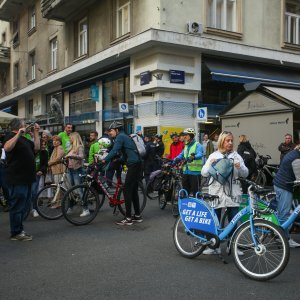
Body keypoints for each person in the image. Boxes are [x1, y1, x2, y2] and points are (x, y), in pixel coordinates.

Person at [201, 131, 248, 254]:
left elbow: (246, 173)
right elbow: (204, 173)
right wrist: (210, 165)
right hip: (216, 192)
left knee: (233, 220)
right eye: (228, 140)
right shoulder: (214, 155)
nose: (230, 143)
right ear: (222, 141)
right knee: (215, 219)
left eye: (232, 140)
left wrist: (240, 167)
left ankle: (232, 246)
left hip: (233, 192)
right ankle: (214, 246)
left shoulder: (237, 156)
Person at [4, 118, 40, 241]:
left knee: (24, 206)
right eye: (24, 125)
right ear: (18, 127)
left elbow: (36, 148)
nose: (26, 127)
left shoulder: (25, 139)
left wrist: (36, 132)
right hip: (17, 178)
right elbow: (7, 148)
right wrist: (19, 133)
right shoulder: (10, 136)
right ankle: (16, 232)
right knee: (17, 206)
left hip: (27, 178)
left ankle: (19, 229)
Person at [102, 121, 142, 225]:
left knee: (127, 190)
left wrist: (104, 160)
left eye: (111, 130)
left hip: (134, 165)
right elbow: (127, 153)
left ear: (117, 130)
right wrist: (119, 160)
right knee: (133, 191)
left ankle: (128, 218)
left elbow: (114, 150)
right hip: (137, 164)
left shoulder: (120, 137)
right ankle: (137, 216)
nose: (110, 133)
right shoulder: (125, 137)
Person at [273, 146, 300, 248]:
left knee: (281, 212)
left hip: (280, 183)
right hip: (284, 186)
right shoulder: (296, 159)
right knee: (284, 213)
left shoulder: (295, 152)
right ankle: (285, 238)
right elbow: (299, 179)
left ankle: (278, 234)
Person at [174, 128, 203, 196]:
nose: (184, 137)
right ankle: (186, 205)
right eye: (184, 135)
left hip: (195, 173)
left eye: (186, 135)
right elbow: (181, 154)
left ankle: (196, 206)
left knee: (196, 193)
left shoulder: (197, 145)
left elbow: (200, 154)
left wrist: (193, 157)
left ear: (191, 136)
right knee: (185, 191)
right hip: (185, 172)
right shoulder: (186, 145)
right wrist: (175, 159)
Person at [65, 132, 85, 215]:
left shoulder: (79, 147)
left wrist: (71, 156)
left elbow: (81, 156)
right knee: (70, 189)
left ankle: (85, 209)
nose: (69, 139)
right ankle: (70, 207)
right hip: (70, 170)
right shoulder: (71, 148)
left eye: (70, 138)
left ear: (74, 138)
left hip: (77, 170)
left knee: (79, 190)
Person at [31, 139, 48, 217]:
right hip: (28, 174)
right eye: (42, 145)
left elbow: (45, 164)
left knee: (34, 191)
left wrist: (41, 170)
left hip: (36, 174)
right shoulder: (31, 151)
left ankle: (34, 208)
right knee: (28, 192)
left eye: (44, 144)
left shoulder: (45, 152)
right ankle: (27, 208)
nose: (43, 146)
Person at [48, 135, 65, 208]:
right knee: (58, 187)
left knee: (59, 187)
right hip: (56, 170)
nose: (54, 142)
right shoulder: (55, 148)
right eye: (53, 141)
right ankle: (59, 202)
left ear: (59, 142)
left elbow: (58, 158)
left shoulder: (59, 147)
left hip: (59, 170)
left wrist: (49, 163)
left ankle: (58, 203)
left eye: (56, 141)